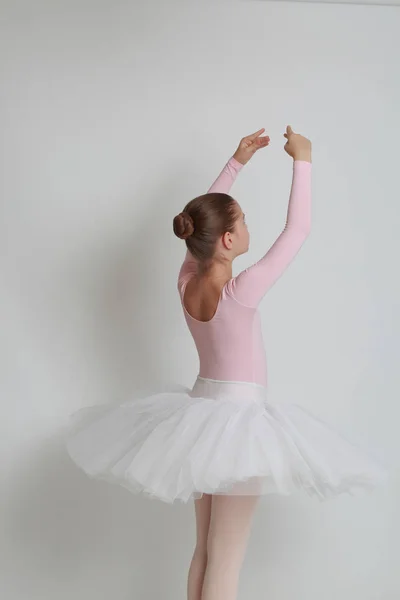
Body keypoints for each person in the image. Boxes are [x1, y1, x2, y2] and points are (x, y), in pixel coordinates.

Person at [65, 126, 387, 600]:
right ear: (230, 240)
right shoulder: (240, 292)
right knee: (227, 560)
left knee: (204, 554)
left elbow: (201, 225)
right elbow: (297, 231)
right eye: (245, 223)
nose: (250, 229)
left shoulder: (186, 281)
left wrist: (236, 162)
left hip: (199, 416)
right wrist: (304, 160)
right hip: (239, 426)